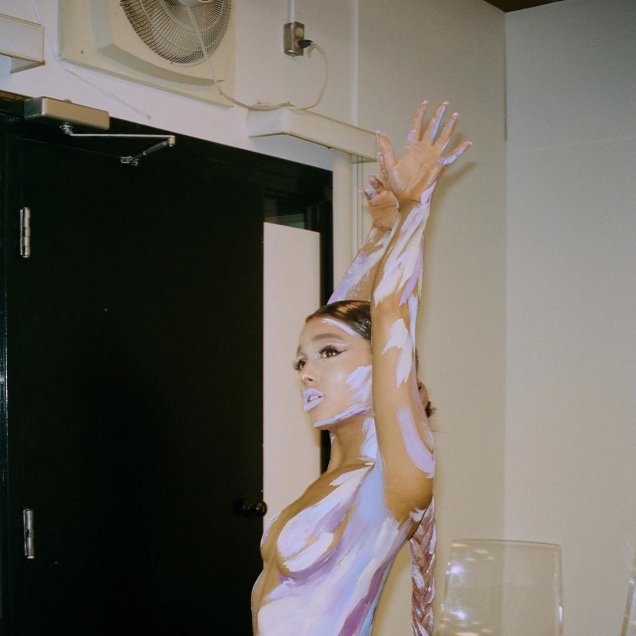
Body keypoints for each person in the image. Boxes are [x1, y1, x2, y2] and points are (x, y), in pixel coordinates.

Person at [251, 101, 470, 635]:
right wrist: (381, 232)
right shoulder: (337, 473)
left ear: (385, 368)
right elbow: (345, 320)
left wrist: (417, 204)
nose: (306, 372)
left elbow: (388, 314)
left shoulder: (391, 482)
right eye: (301, 360)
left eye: (326, 355)